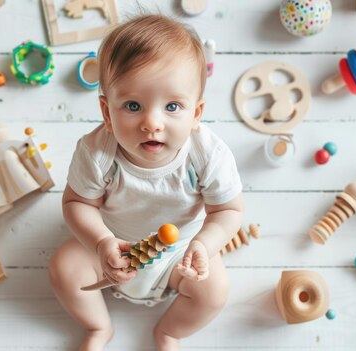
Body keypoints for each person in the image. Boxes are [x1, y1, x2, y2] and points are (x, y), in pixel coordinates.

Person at [49, 14, 243, 351]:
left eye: (172, 106)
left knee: (215, 290)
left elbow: (228, 210)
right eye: (133, 105)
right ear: (107, 113)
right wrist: (100, 242)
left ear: (196, 113)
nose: (152, 123)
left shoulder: (207, 154)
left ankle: (169, 332)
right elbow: (77, 204)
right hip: (112, 244)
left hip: (179, 254)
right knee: (63, 268)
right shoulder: (97, 152)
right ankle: (99, 327)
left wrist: (205, 245)